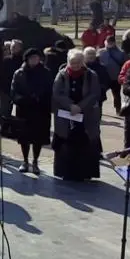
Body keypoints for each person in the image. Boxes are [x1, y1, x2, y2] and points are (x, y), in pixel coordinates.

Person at [51, 49, 103, 181]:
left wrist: (80, 106)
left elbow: (94, 93)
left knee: (86, 142)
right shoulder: (61, 75)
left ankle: (85, 172)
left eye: (78, 63)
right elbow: (57, 93)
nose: (75, 65)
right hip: (66, 115)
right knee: (66, 143)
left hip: (86, 115)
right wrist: (70, 105)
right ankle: (66, 172)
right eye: (72, 63)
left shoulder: (91, 75)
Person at [10, 48, 53, 175]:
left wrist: (40, 98)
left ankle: (35, 161)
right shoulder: (19, 73)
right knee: (24, 137)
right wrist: (21, 99)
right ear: (27, 59)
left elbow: (50, 90)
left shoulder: (46, 73)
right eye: (32, 58)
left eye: (37, 58)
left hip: (40, 110)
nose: (34, 60)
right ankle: (25, 161)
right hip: (24, 109)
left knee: (38, 137)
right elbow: (14, 90)